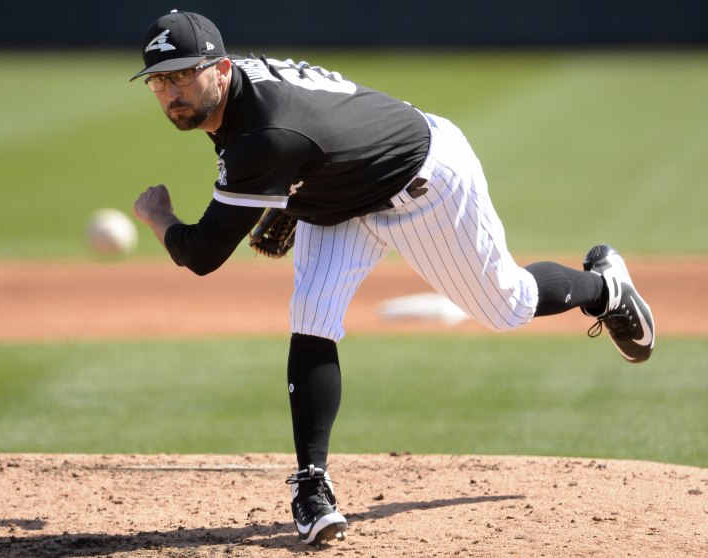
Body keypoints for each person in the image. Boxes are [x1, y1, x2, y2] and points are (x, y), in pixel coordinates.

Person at [131, 10, 655, 545]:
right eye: (158, 80)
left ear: (219, 68)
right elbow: (323, 122)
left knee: (509, 306)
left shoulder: (264, 134)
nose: (171, 92)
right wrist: (291, 193)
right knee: (312, 317)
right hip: (343, 191)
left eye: (181, 75)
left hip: (424, 182)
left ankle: (606, 287)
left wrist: (159, 216)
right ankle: (311, 487)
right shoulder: (239, 97)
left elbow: (201, 254)